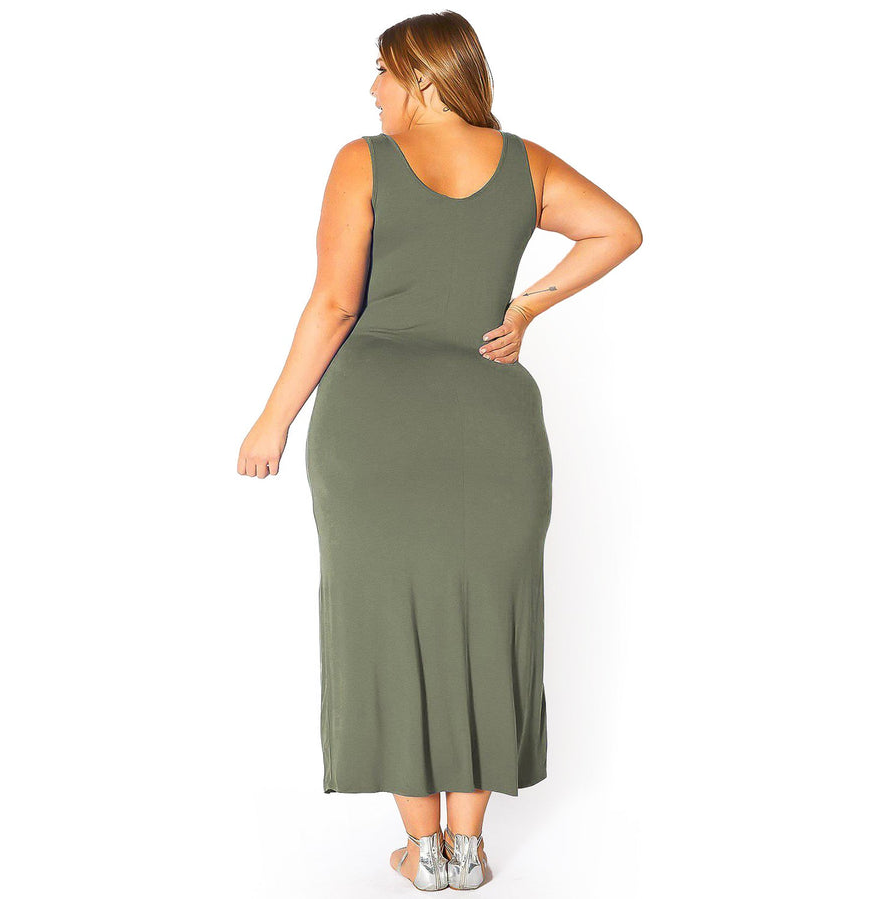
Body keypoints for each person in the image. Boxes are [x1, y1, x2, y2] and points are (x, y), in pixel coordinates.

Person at [237, 10, 642, 891]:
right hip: (493, 425)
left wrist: (273, 419)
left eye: (383, 72)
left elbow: (335, 305)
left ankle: (421, 853)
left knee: (386, 620)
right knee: (483, 617)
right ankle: (469, 846)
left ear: (421, 74)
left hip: (373, 427)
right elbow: (618, 228)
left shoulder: (364, 161)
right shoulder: (528, 164)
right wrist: (526, 305)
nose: (372, 88)